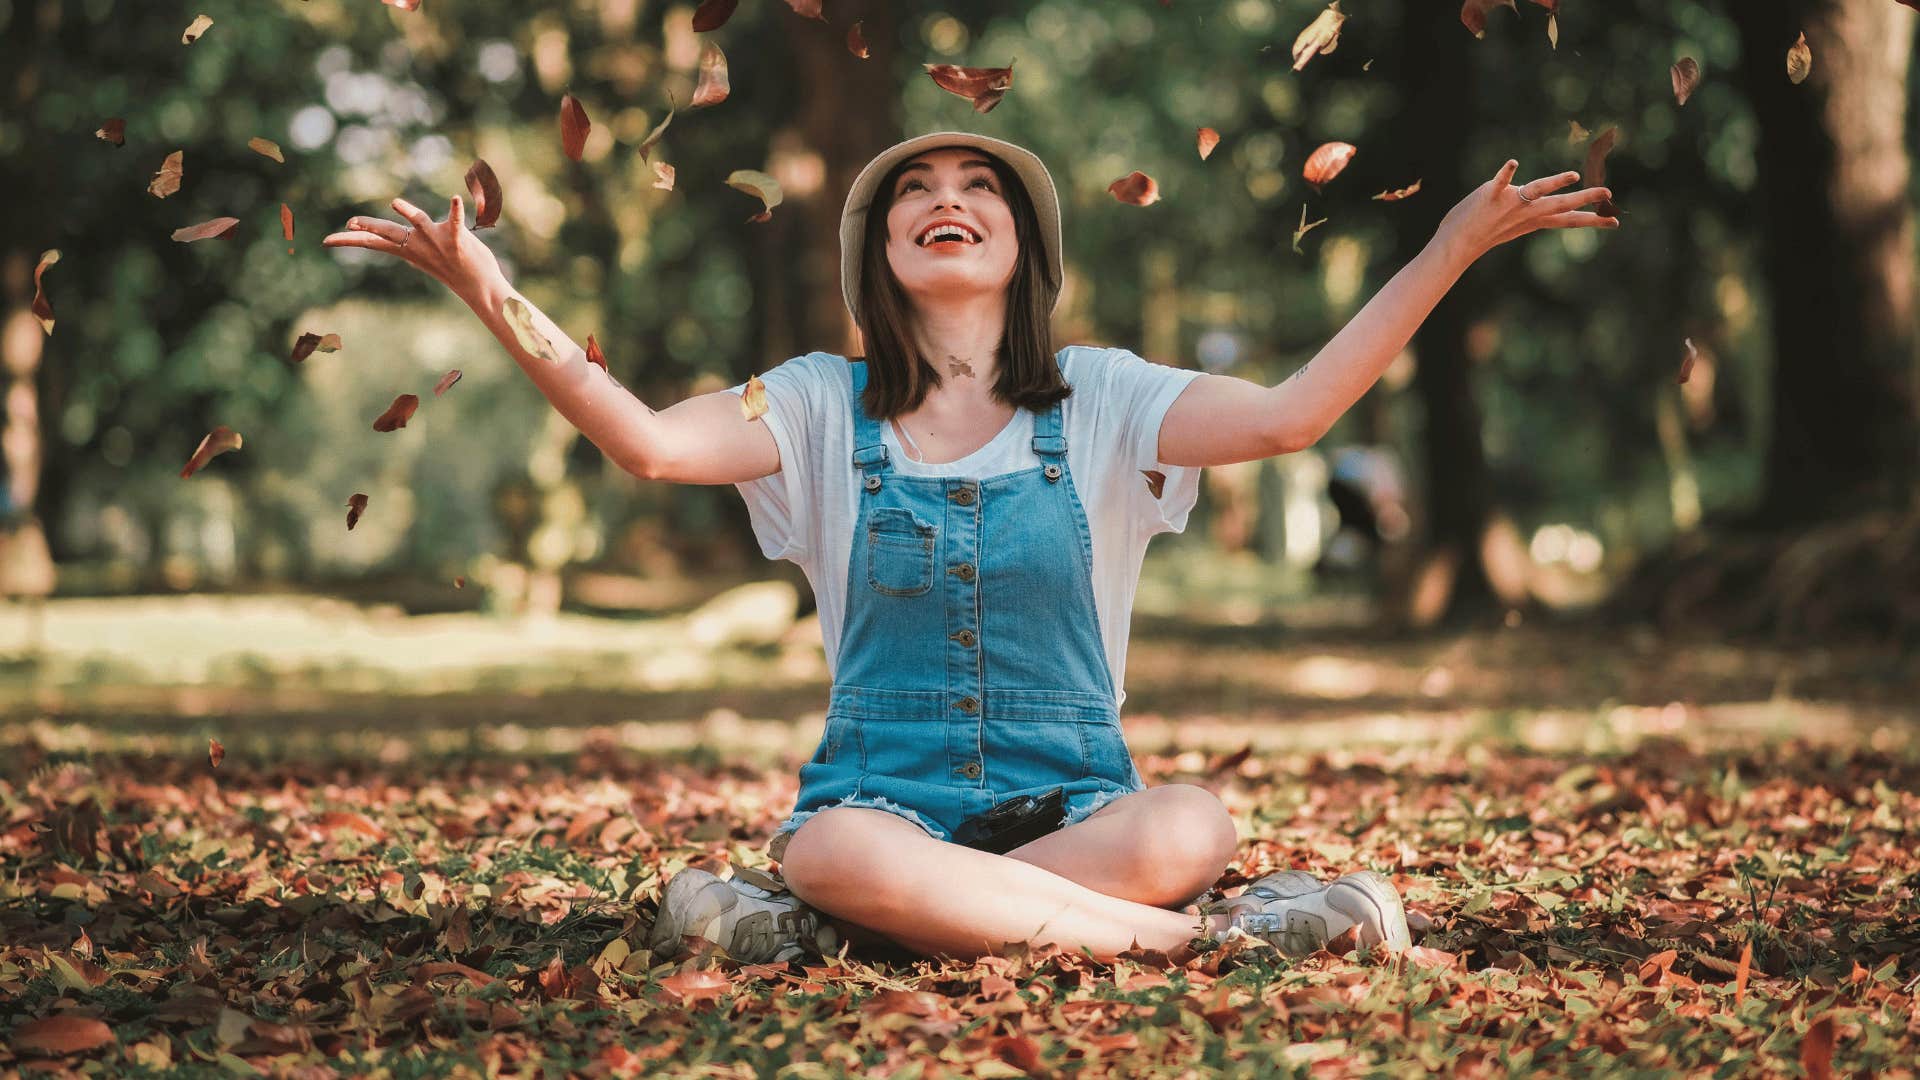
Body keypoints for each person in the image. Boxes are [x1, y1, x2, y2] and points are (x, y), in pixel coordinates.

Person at [325, 130, 1617, 966]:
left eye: (978, 187)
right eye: (916, 197)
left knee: (1191, 820)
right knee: (829, 847)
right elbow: (650, 444)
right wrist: (487, 287)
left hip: (1081, 814)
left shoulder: (1107, 399)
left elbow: (1296, 415)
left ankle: (851, 935)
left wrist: (1450, 246)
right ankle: (1204, 945)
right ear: (882, 256)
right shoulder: (819, 405)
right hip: (885, 808)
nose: (948, 200)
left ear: (1023, 250)